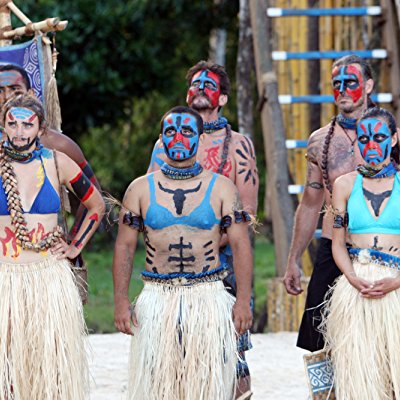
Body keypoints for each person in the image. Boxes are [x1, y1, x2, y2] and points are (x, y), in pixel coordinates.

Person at [113, 106, 253, 400]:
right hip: (157, 296)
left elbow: (241, 245)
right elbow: (125, 246)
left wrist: (242, 302)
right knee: (160, 383)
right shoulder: (140, 189)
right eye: (170, 132)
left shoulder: (222, 189)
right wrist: (121, 301)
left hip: (207, 295)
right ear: (161, 140)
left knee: (206, 385)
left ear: (201, 140)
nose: (178, 138)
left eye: (187, 131)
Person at [148, 61, 258, 398]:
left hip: (224, 257)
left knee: (232, 352)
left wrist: (209, 242)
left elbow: (248, 212)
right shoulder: (163, 145)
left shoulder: (238, 145)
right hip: (174, 263)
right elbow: (152, 201)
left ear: (223, 98)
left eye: (207, 85)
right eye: (194, 84)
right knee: (176, 352)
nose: (199, 89)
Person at [0, 94, 105, 399]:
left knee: (51, 363)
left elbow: (96, 204)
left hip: (49, 276)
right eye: (12, 124)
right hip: (6, 276)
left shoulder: (57, 162)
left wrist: (75, 246)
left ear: (40, 128)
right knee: (7, 365)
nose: (19, 132)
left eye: (27, 125)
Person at [283, 55, 376, 351]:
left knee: (379, 335)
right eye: (337, 84)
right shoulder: (320, 140)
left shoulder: (391, 136)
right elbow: (311, 203)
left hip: (381, 244)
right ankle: (326, 397)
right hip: (331, 245)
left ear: (369, 85)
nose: (343, 89)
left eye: (351, 82)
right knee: (319, 339)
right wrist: (293, 259)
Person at [323, 107, 400, 399]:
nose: (371, 146)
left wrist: (396, 281)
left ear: (393, 139)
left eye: (379, 137)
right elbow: (337, 243)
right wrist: (353, 278)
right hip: (357, 287)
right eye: (364, 139)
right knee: (361, 375)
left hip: (396, 285)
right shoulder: (344, 185)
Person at [0, 63, 101, 233]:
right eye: (0, 91)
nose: (6, 97)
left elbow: (94, 196)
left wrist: (73, 243)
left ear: (30, 93)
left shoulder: (59, 145)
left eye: (15, 90)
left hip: (49, 252)